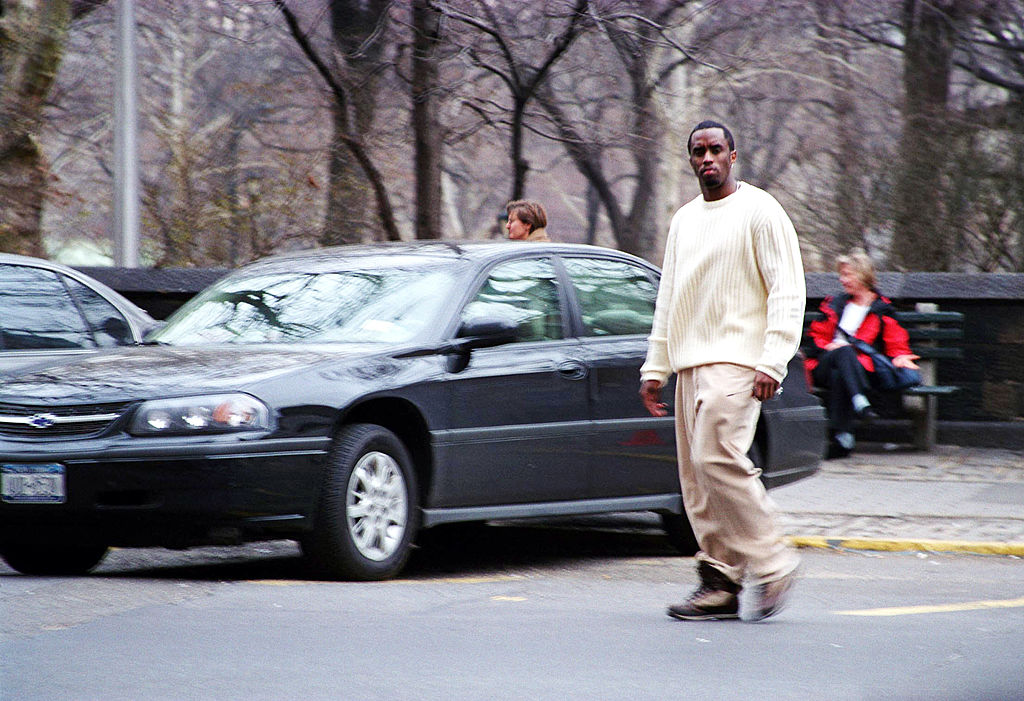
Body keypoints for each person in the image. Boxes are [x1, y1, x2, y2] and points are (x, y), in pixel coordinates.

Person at [639, 120, 804, 622]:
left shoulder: (760, 210)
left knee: (717, 457)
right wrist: (656, 365)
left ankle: (774, 561)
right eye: (698, 151)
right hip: (689, 361)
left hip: (738, 359)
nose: (707, 158)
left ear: (733, 155)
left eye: (716, 150)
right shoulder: (684, 220)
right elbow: (669, 296)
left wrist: (773, 360)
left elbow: (787, 289)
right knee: (696, 480)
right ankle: (720, 583)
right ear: (690, 160)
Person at [806, 250, 919, 458]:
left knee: (841, 372)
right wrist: (826, 347)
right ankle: (859, 401)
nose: (843, 280)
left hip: (858, 369)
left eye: (848, 275)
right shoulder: (835, 304)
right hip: (825, 361)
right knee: (842, 353)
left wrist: (902, 357)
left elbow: (896, 343)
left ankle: (842, 440)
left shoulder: (882, 309)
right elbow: (815, 337)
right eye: (842, 275)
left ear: (863, 275)